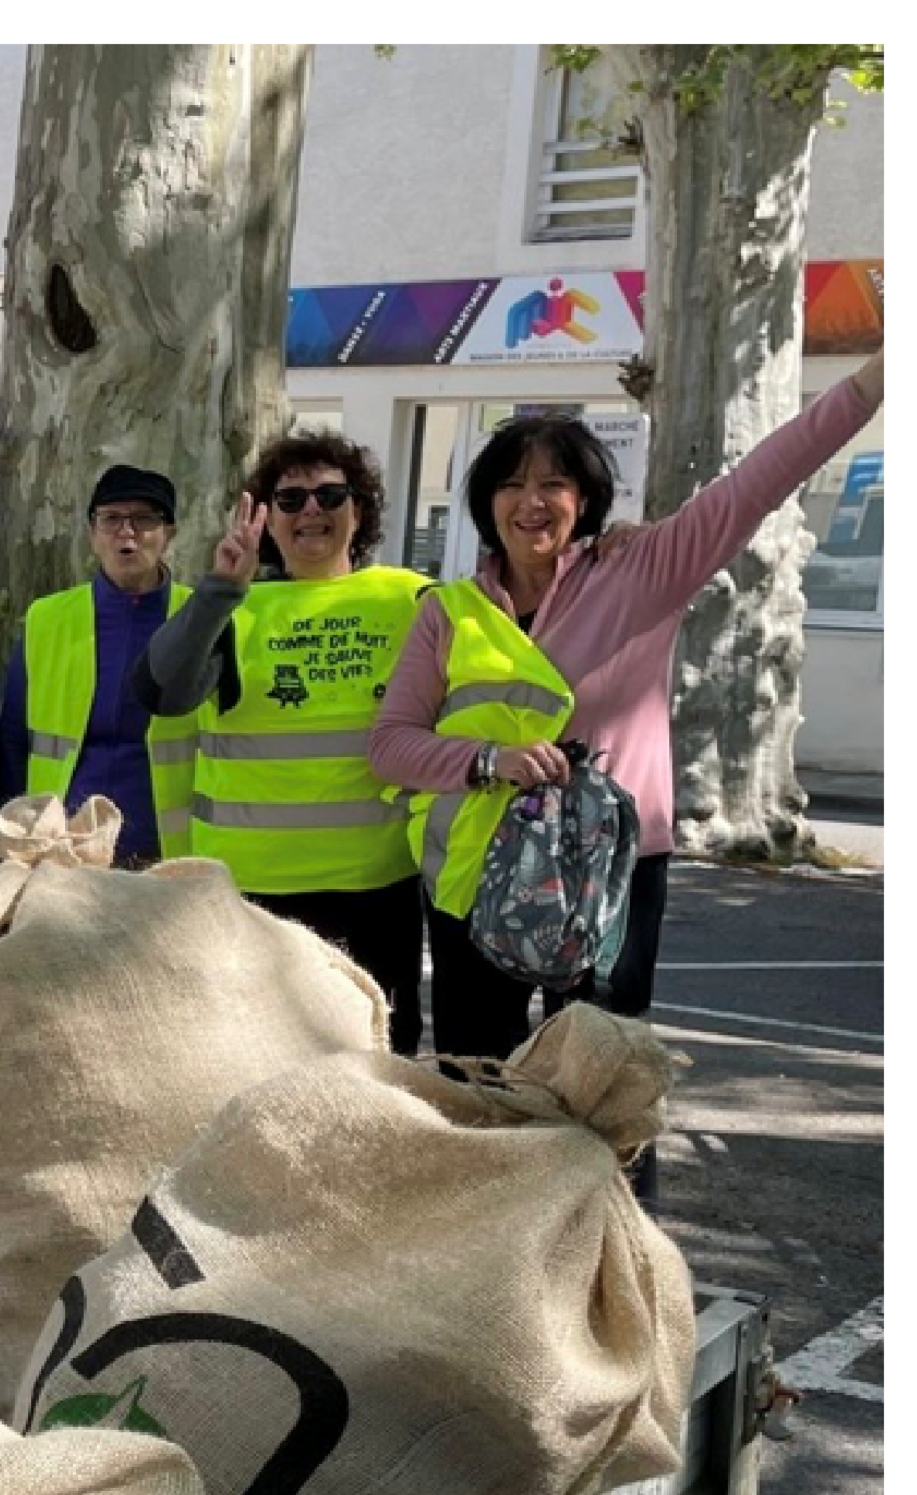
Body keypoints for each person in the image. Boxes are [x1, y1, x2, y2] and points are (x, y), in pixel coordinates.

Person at [372, 348, 889, 1086]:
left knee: (602, 1082)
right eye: (511, 484)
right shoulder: (447, 611)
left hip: (609, 871)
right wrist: (487, 760)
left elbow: (761, 479)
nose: (531, 502)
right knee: (476, 1078)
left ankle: (606, 1172)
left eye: (553, 484)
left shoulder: (642, 571)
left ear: (585, 498)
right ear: (486, 503)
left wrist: (870, 382)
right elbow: (392, 746)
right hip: (472, 871)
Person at [141, 432, 431, 1054]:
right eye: (291, 499)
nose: (311, 510)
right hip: (251, 894)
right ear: (267, 519)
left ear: (360, 510)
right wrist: (221, 588)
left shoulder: (411, 599)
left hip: (375, 892)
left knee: (377, 1062)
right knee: (255, 1063)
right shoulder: (232, 607)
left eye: (330, 495)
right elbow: (162, 693)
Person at [0, 464, 196, 864]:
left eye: (144, 519)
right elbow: (12, 739)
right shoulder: (47, 619)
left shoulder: (199, 619)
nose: (127, 532)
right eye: (111, 519)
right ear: (92, 533)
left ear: (169, 534)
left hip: (169, 851)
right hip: (62, 849)